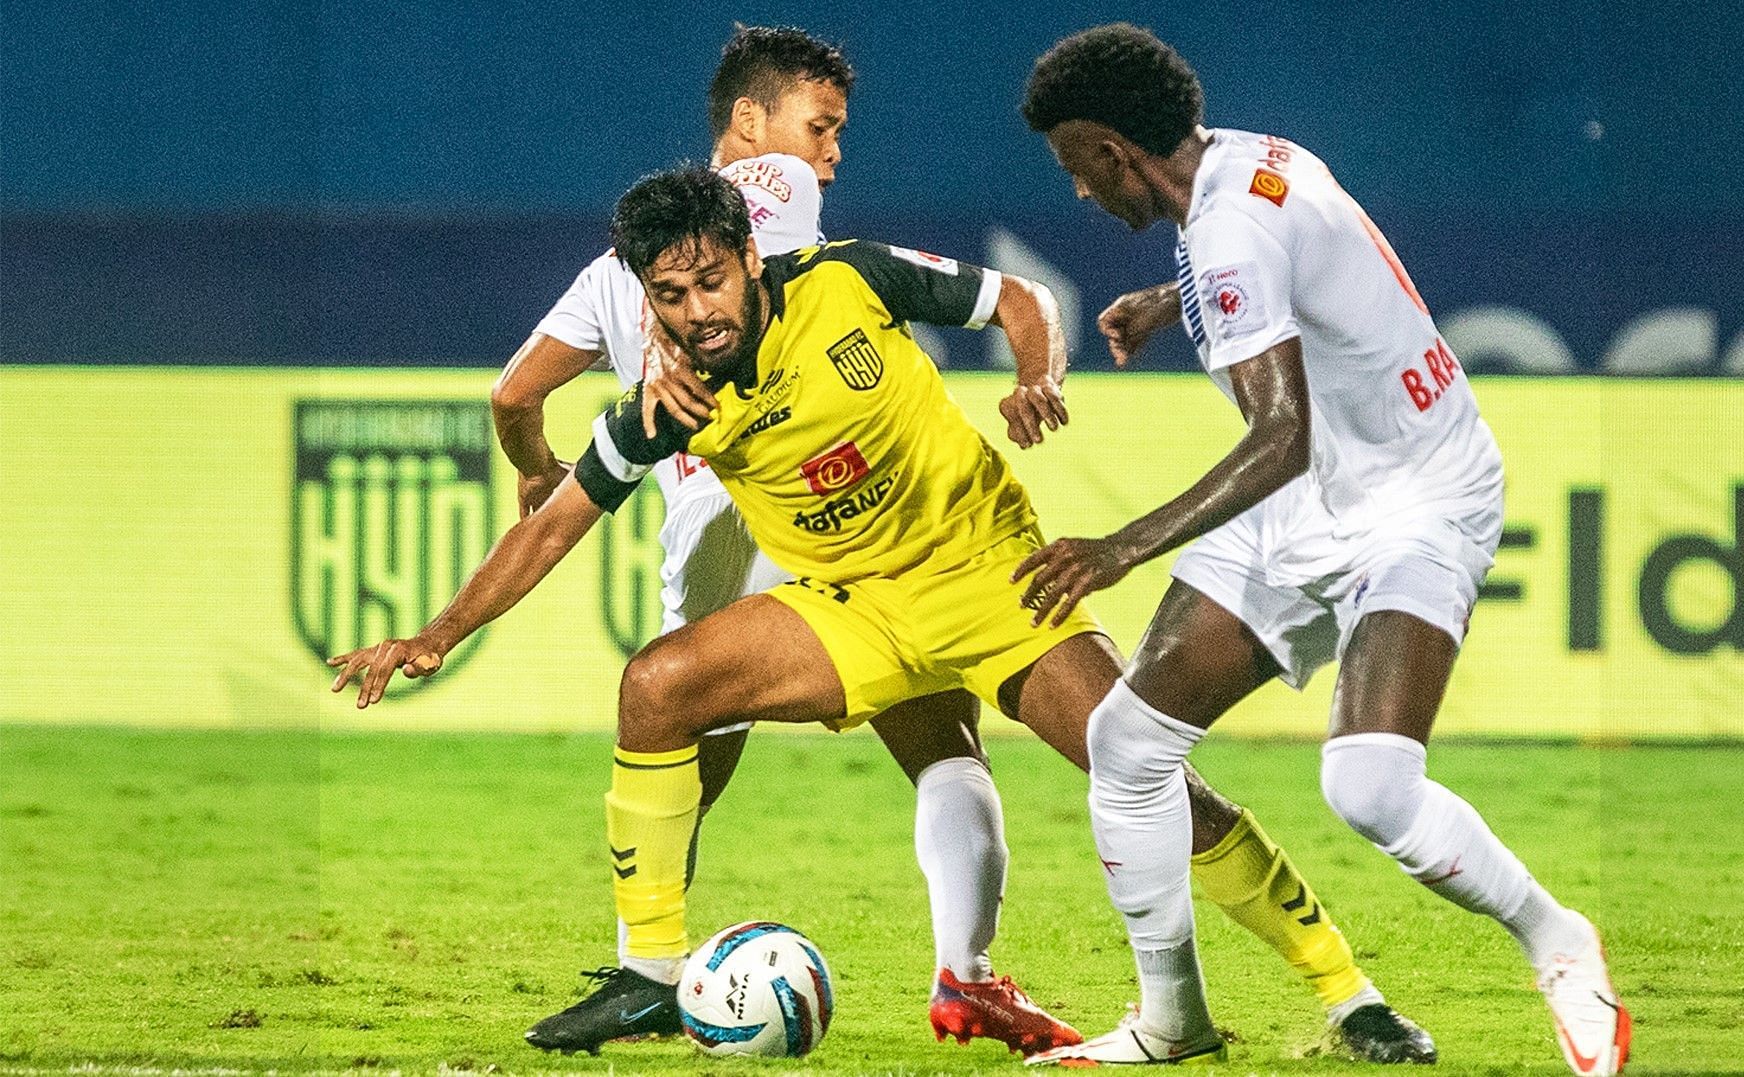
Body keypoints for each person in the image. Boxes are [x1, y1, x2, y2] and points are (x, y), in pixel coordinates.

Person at [333, 166, 1427, 1066]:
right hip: (847, 607)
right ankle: (650, 976)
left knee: (1140, 777)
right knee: (657, 686)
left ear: (747, 258)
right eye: (668, 298)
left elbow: (1018, 301)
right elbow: (552, 522)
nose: (696, 311)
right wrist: (433, 635)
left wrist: (1033, 378)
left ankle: (1348, 993)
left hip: (988, 579)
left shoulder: (848, 278)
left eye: (710, 281)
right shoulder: (668, 407)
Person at [1015, 24, 1628, 1074]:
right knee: (1126, 746)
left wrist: (1123, 545)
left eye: (1075, 167)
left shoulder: (1225, 235)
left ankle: (1558, 942)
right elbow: (1289, 269)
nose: (1075, 191)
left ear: (1115, 151)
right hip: (1308, 498)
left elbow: (1278, 435)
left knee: (1371, 788)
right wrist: (1179, 304)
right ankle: (1172, 1022)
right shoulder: (1252, 156)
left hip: (1415, 495)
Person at [491, 27, 1076, 1056]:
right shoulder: (772, 190)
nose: (832, 151)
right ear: (751, 127)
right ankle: (964, 976)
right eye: (824, 125)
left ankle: (647, 968)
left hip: (713, 527)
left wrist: (533, 465)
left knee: (682, 746)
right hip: (779, 500)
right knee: (937, 739)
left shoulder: (607, 271)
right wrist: (668, 351)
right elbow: (756, 256)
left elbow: (512, 395)